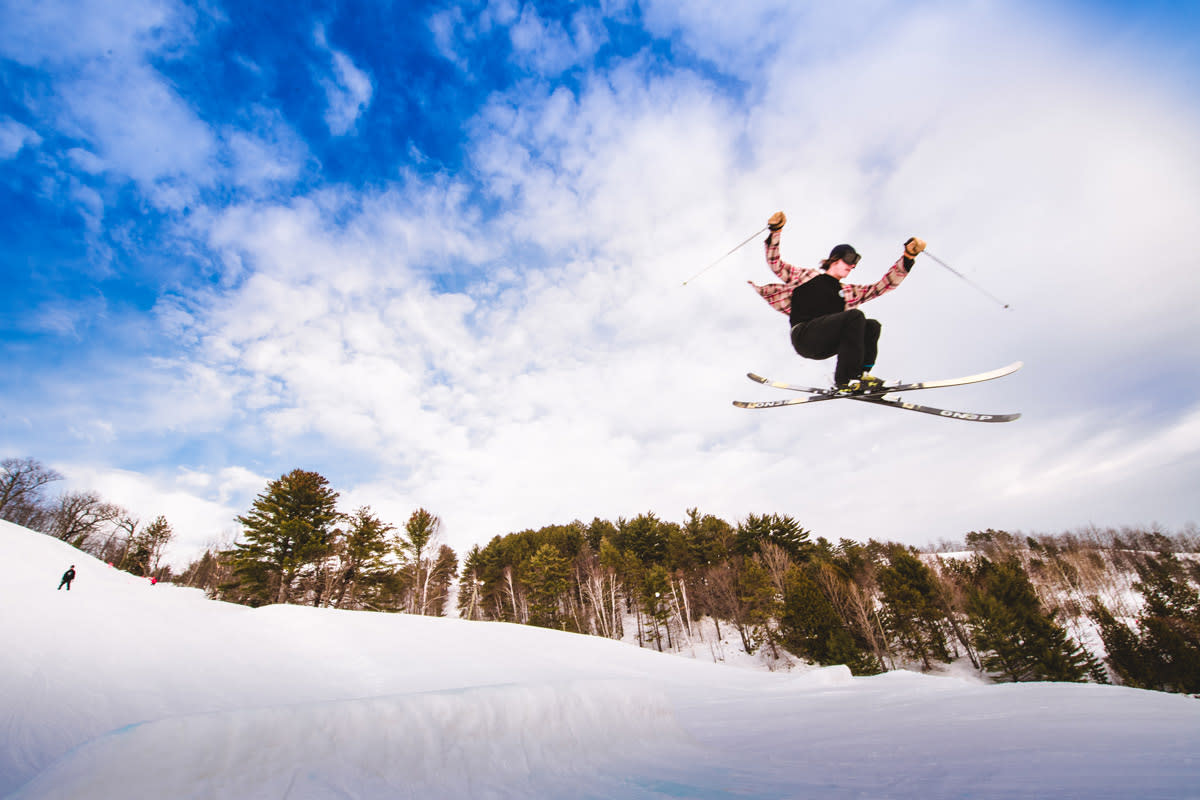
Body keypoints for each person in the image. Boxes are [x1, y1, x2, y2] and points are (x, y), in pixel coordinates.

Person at [749, 211, 925, 392]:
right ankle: (846, 379)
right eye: (849, 259)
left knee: (871, 326)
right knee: (855, 316)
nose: (852, 265)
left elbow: (883, 286)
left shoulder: (849, 292)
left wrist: (908, 258)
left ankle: (862, 377)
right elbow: (774, 262)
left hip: (825, 344)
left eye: (855, 261)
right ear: (834, 258)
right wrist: (776, 231)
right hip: (804, 336)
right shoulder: (805, 276)